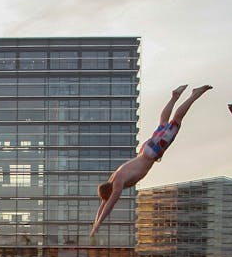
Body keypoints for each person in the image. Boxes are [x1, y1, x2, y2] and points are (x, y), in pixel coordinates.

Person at [90, 84, 212, 238]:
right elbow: (103, 205)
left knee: (176, 121)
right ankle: (174, 97)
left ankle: (194, 95)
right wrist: (95, 224)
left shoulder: (118, 182)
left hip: (152, 153)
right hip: (145, 150)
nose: (113, 196)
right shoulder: (114, 177)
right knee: (163, 123)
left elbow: (109, 205)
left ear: (111, 191)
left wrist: (98, 225)